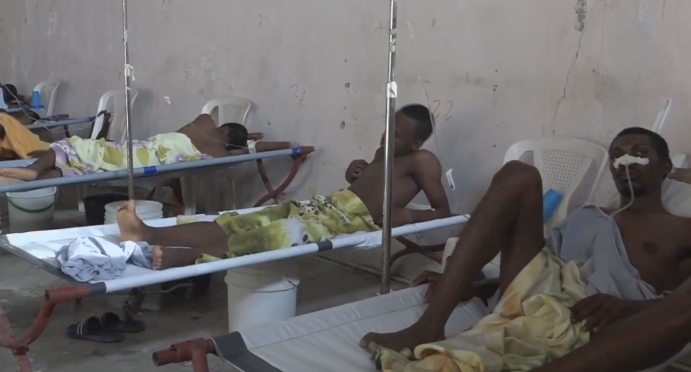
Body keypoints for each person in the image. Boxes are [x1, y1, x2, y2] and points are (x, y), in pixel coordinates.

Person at [359, 128, 691, 372]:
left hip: (601, 322)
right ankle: (428, 325)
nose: (627, 161)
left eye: (640, 153)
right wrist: (470, 284)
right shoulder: (590, 214)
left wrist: (635, 308)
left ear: (665, 166)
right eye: (618, 154)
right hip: (534, 295)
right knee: (519, 174)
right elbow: (545, 269)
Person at [113, 104, 450, 270]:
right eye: (388, 128)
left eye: (397, 135)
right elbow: (368, 186)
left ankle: (184, 257)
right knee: (242, 220)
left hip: (349, 222)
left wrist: (406, 216)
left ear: (416, 143)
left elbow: (442, 211)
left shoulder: (423, 162)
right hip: (330, 205)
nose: (387, 137)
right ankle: (149, 233)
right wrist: (353, 174)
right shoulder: (383, 152)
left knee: (270, 236)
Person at [0, 112, 293, 187]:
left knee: (69, 146)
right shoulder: (218, 155)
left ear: (222, 128)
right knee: (71, 170)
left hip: (134, 150)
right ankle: (23, 178)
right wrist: (287, 145)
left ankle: (31, 171)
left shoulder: (202, 124)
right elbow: (255, 149)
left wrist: (241, 133)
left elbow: (214, 121)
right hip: (139, 163)